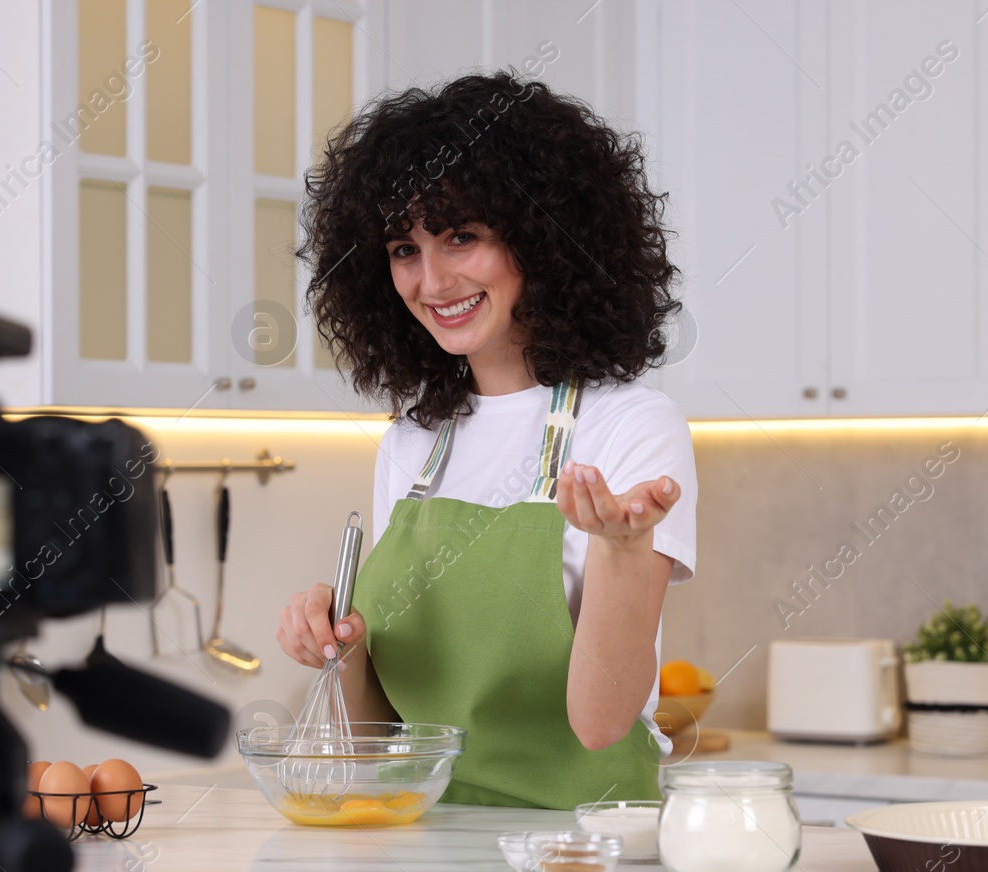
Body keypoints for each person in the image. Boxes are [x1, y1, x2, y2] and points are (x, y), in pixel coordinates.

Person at [276, 72, 697, 809]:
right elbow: (381, 733)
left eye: (461, 237)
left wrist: (623, 550)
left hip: (584, 860)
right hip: (423, 854)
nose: (431, 280)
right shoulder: (412, 446)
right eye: (404, 249)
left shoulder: (630, 426)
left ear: (544, 234)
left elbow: (600, 725)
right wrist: (336, 649)